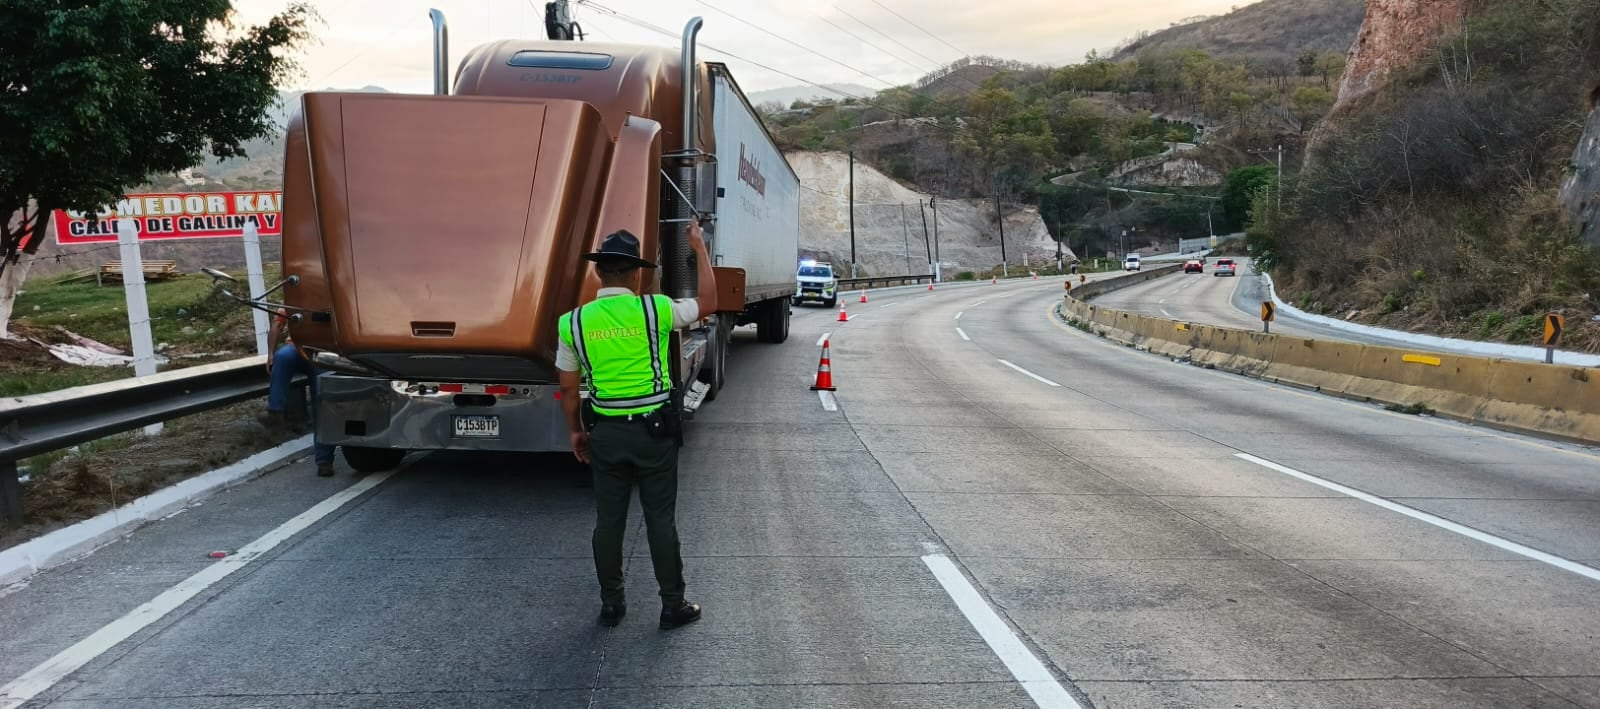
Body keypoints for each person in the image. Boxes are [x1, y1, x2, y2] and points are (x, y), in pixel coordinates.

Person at [555, 221, 717, 630]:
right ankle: (672, 604)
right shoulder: (656, 308)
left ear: (598, 272)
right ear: (636, 274)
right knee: (660, 517)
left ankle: (612, 603)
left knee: (609, 520)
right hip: (653, 432)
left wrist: (576, 431)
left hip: (606, 432)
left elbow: (569, 389)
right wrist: (698, 247)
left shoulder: (572, 323)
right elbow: (709, 301)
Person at [261, 307, 339, 477]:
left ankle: (324, 459)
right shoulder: (294, 299)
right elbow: (277, 325)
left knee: (323, 403)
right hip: (296, 348)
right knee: (282, 357)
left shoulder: (331, 298)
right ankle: (275, 412)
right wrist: (271, 355)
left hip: (323, 352)